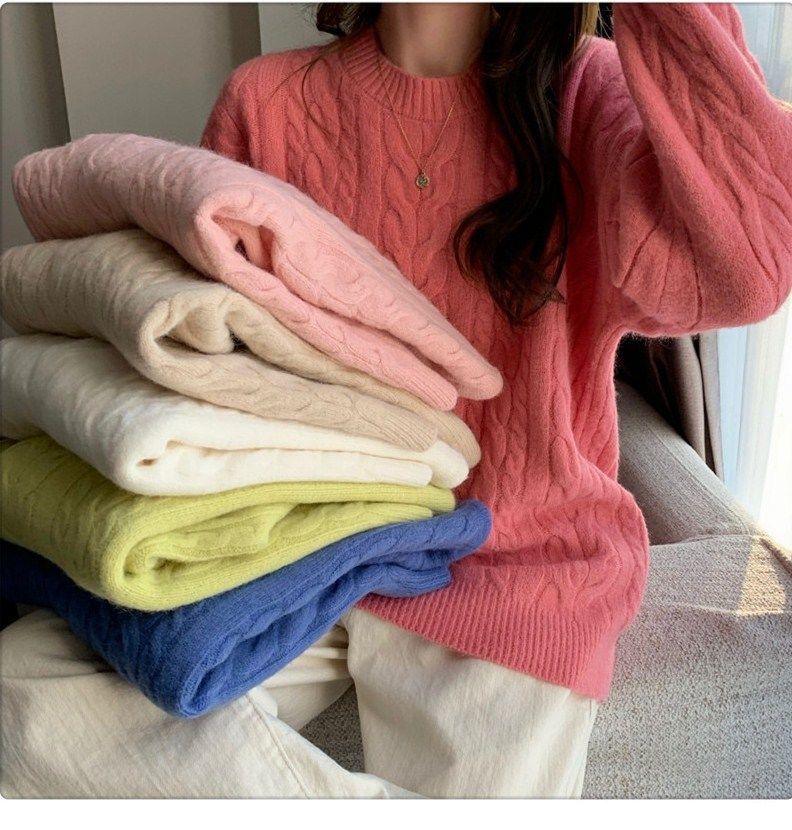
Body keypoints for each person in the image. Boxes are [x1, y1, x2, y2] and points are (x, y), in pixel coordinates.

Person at [1, 2, 790, 799]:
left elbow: (748, 273)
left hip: (512, 569)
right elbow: (223, 373)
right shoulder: (266, 102)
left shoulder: (587, 93)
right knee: (25, 687)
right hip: (302, 548)